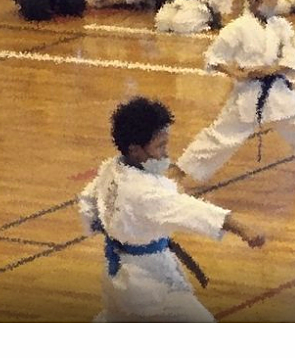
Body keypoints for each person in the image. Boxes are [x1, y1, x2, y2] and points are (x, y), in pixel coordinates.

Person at [78, 97, 265, 322]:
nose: (165, 153)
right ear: (135, 150)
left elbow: (87, 202)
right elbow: (191, 211)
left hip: (116, 271)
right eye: (159, 146)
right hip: (148, 285)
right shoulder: (145, 192)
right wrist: (242, 227)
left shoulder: (112, 168)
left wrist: (109, 226)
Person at [169, 0, 295, 184]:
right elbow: (213, 57)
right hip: (249, 94)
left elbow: (292, 58)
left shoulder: (281, 26)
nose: (275, 2)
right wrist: (233, 72)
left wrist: (270, 69)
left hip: (278, 92)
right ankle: (178, 173)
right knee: (220, 137)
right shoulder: (237, 27)